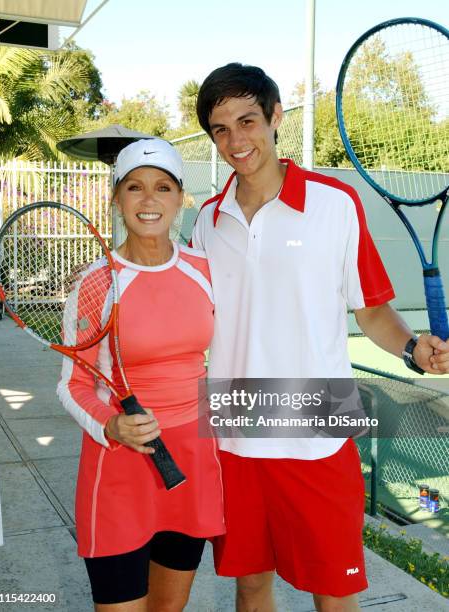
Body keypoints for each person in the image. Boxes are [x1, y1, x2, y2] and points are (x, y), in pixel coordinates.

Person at [190, 62, 449, 612]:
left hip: (318, 422)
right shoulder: (207, 220)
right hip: (236, 421)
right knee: (251, 582)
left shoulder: (335, 204)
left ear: (276, 117)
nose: (237, 140)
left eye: (248, 120)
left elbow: (373, 311)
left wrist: (411, 348)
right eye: (221, 129)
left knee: (334, 589)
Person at [57, 137, 225, 612]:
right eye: (134, 187)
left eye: (162, 187)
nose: (149, 200)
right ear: (116, 199)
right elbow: (73, 384)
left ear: (180, 198)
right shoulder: (96, 283)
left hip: (190, 463)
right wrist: (110, 424)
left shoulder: (203, 270)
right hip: (120, 470)